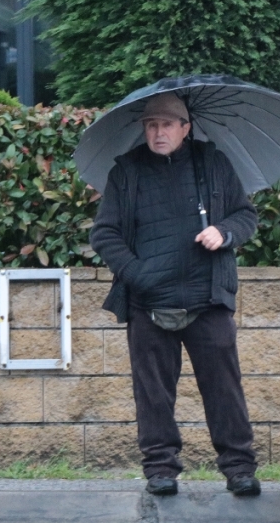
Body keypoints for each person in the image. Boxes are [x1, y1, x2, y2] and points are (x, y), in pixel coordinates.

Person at [89, 92, 260, 497]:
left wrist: (225, 232)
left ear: (186, 128)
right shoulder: (126, 172)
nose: (158, 131)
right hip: (147, 302)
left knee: (224, 388)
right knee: (152, 394)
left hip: (208, 298)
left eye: (167, 124)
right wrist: (136, 274)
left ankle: (239, 468)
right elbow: (105, 233)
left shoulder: (213, 163)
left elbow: (245, 215)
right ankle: (160, 469)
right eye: (151, 125)